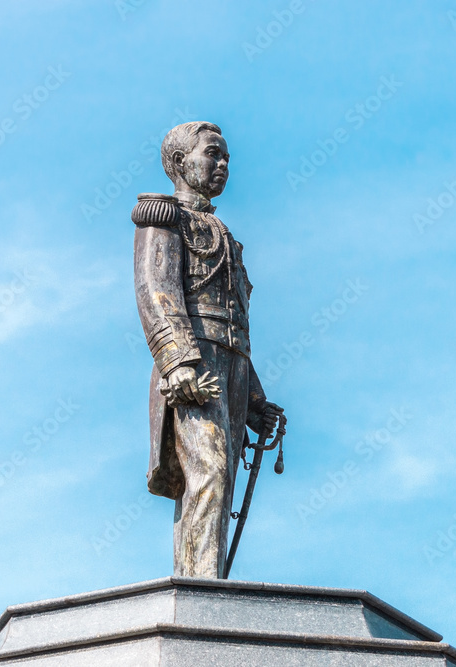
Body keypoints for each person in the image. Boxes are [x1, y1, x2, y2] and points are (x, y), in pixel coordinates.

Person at [132, 121, 283, 578]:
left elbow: (234, 318)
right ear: (179, 162)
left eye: (227, 159)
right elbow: (156, 292)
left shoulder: (226, 235)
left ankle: (203, 583)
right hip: (194, 368)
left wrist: (255, 398)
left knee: (220, 481)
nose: (222, 165)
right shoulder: (163, 217)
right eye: (212, 154)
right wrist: (176, 363)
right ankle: (201, 592)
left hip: (231, 368)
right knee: (211, 473)